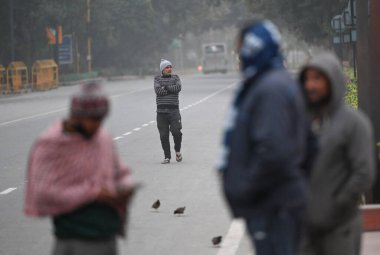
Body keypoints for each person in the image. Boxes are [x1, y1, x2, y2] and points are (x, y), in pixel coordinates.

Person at [218, 20, 309, 255]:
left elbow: (274, 151)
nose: (238, 54)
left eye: (240, 47)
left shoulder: (270, 89)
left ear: (253, 46)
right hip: (274, 203)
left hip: (275, 206)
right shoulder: (267, 82)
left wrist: (247, 188)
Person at [24, 82, 135, 255]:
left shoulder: (102, 138)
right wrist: (93, 193)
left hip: (107, 238)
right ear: (76, 115)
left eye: (101, 119)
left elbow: (120, 172)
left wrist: (122, 188)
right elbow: (43, 192)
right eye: (93, 119)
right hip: (74, 240)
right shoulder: (50, 145)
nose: (97, 125)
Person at [299, 53, 376, 255]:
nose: (311, 85)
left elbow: (363, 173)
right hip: (305, 227)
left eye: (318, 78)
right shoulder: (303, 122)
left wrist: (336, 204)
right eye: (307, 79)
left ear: (332, 81)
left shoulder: (353, 123)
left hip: (340, 227)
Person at [154, 59, 183, 164]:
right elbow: (158, 91)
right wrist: (170, 88)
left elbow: (178, 88)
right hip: (161, 113)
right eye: (167, 67)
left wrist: (165, 87)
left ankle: (178, 151)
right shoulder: (157, 79)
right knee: (163, 135)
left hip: (174, 111)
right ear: (162, 69)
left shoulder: (176, 78)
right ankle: (167, 157)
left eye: (170, 67)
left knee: (177, 132)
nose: (169, 69)